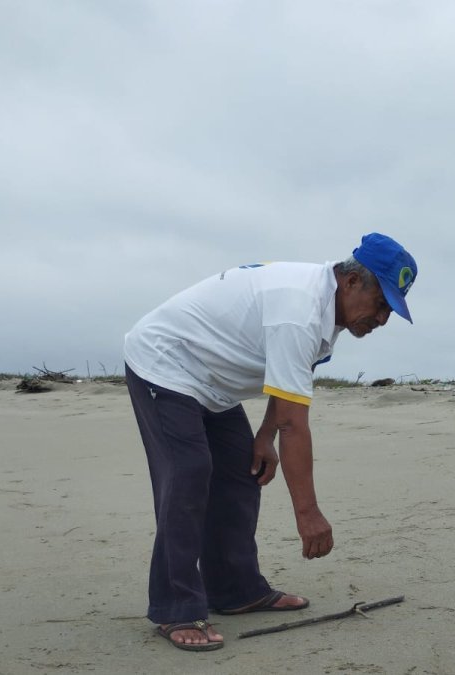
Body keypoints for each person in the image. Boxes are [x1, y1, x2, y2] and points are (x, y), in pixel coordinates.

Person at [122, 232, 418, 651]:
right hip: (163, 362)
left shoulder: (325, 312)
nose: (382, 319)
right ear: (352, 283)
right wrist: (309, 514)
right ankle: (176, 607)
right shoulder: (298, 310)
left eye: (391, 310)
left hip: (213, 382)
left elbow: (286, 385)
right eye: (382, 304)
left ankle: (236, 590)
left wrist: (263, 437)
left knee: (242, 472)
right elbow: (296, 424)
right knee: (189, 472)